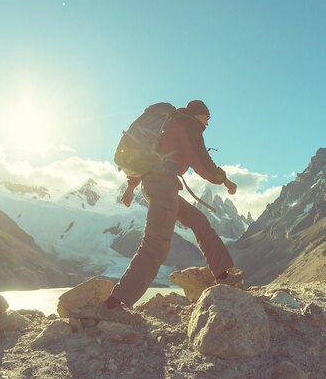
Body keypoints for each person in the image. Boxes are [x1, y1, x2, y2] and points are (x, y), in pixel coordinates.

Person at [100, 100, 242, 323]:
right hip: (163, 187)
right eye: (207, 118)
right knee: (156, 243)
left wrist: (130, 187)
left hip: (157, 186)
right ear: (200, 115)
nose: (207, 123)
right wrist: (225, 180)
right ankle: (115, 303)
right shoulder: (188, 126)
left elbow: (150, 159)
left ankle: (223, 273)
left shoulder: (169, 125)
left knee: (198, 220)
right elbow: (203, 163)